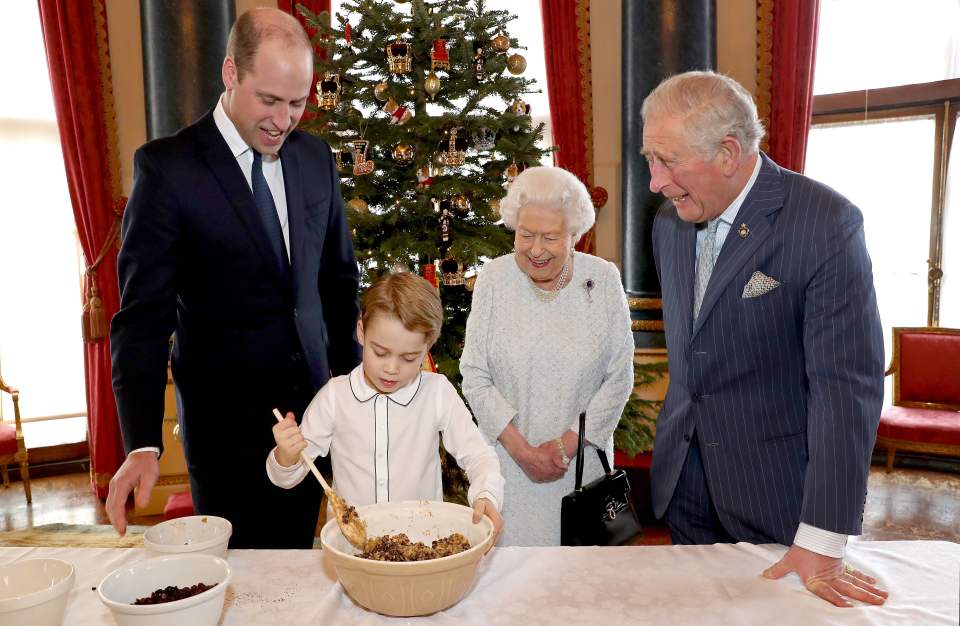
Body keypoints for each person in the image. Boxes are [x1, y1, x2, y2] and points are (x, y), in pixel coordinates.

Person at [106, 8, 361, 549]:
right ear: (230, 73)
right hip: (228, 435)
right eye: (268, 100)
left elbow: (338, 284)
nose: (283, 119)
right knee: (243, 586)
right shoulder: (168, 170)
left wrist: (355, 392)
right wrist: (142, 442)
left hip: (314, 417)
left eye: (297, 103)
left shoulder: (315, 159)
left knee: (300, 570)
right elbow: (142, 319)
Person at [642, 70, 888, 606]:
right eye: (649, 160)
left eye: (667, 161)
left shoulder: (825, 222)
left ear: (728, 152)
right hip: (684, 483)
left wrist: (823, 535)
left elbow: (846, 388)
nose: (655, 182)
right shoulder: (668, 223)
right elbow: (696, 351)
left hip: (776, 497)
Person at [459, 166, 634, 546]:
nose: (536, 250)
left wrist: (563, 447)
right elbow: (473, 374)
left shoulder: (602, 280)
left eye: (550, 237)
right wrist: (522, 451)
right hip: (506, 469)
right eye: (526, 235)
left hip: (580, 473)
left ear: (575, 236)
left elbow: (619, 376)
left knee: (579, 588)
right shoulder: (493, 279)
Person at [268, 272, 505, 539]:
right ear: (361, 332)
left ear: (428, 345)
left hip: (421, 544)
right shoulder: (335, 397)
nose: (391, 369)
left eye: (408, 357)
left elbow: (480, 456)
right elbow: (287, 477)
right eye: (380, 352)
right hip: (353, 548)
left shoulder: (437, 393)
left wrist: (486, 494)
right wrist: (286, 457)